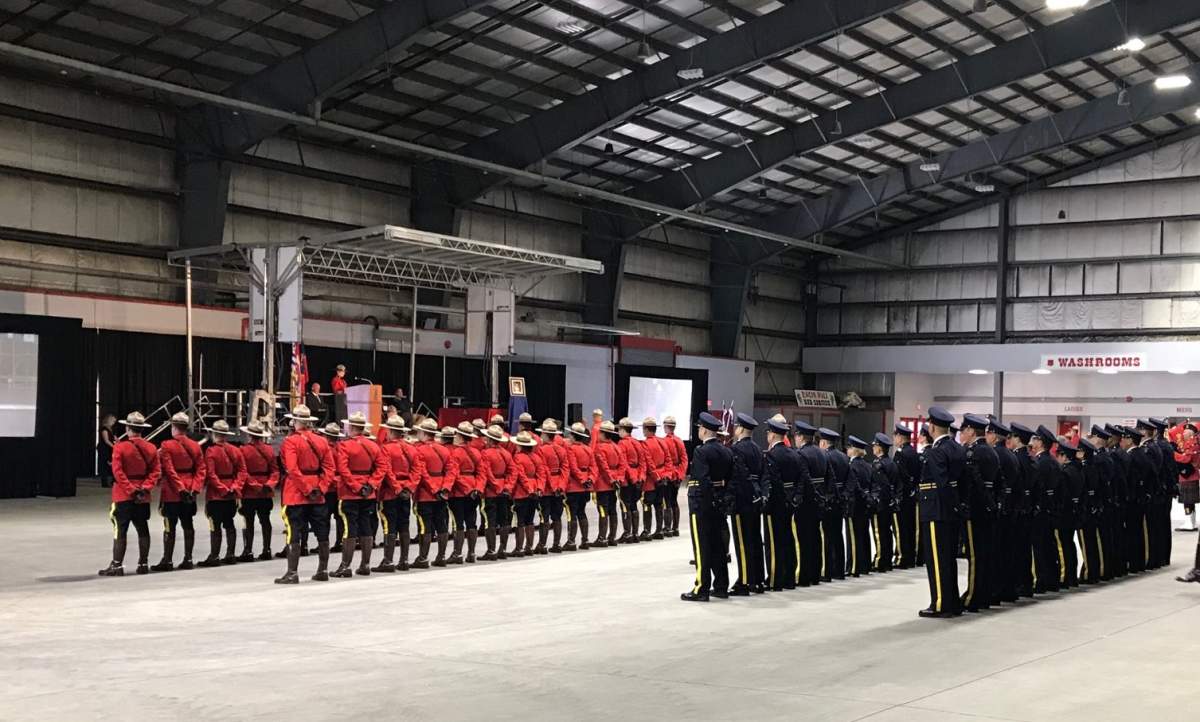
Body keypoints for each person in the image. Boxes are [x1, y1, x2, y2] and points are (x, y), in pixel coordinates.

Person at [275, 404, 336, 584]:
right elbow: (329, 468)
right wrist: (321, 487)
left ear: (295, 422)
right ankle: (323, 570)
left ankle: (292, 573)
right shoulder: (322, 441)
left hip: (296, 494)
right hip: (318, 493)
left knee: (294, 532)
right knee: (322, 533)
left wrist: (306, 489)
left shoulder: (290, 441)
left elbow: (292, 469)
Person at [99, 411, 160, 576]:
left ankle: (117, 566)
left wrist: (131, 490)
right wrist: (145, 488)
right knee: (143, 529)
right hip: (143, 495)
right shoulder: (151, 447)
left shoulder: (120, 447)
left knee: (120, 530)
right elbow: (155, 472)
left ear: (128, 427)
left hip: (124, 495)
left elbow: (117, 472)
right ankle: (143, 563)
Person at [681, 412, 734, 602]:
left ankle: (701, 587)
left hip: (701, 503)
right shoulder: (727, 451)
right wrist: (721, 498)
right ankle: (721, 586)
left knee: (702, 546)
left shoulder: (701, 452)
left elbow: (702, 480)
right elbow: (729, 479)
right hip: (718, 502)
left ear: (704, 430)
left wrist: (709, 498)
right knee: (719, 546)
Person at [918, 406, 965, 618]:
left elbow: (942, 484)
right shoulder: (957, 448)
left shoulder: (937, 451)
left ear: (933, 426)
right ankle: (952, 601)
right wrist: (957, 506)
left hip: (936, 509)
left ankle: (940, 603)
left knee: (936, 558)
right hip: (951, 511)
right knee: (948, 559)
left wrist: (950, 504)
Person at [331, 411, 387, 578]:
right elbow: (381, 468)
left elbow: (343, 469)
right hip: (368, 494)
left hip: (350, 493)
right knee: (366, 528)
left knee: (349, 529)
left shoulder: (344, 445)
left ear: (352, 427)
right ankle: (365, 564)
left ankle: (345, 566)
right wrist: (370, 485)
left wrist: (356, 486)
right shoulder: (373, 446)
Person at [152, 412, 204, 572]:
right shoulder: (195, 446)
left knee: (169, 526)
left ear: (174, 427)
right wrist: (194, 489)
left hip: (172, 492)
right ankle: (188, 558)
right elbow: (201, 469)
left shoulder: (167, 445)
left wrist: (180, 489)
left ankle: (167, 560)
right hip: (190, 490)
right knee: (188, 524)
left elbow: (169, 469)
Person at [958, 414, 998, 612]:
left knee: (974, 556)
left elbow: (973, 485)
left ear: (972, 431)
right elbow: (1000, 483)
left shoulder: (972, 454)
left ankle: (973, 596)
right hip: (988, 510)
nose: (962, 434)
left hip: (975, 509)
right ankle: (984, 594)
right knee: (985, 554)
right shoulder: (992, 452)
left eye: (964, 430)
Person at [375, 415, 421, 572]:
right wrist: (408, 488)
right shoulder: (411, 448)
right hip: (406, 493)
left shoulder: (386, 449)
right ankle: (404, 560)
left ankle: (388, 561)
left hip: (390, 493)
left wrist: (397, 488)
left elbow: (386, 471)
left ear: (390, 431)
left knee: (389, 527)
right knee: (404, 525)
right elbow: (417, 471)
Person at [198, 420, 245, 567]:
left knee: (215, 526)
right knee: (229, 524)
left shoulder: (211, 451)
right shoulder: (236, 450)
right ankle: (230, 554)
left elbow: (211, 475)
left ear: (214, 434)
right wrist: (234, 487)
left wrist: (222, 489)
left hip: (216, 495)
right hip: (231, 493)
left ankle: (214, 555)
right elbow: (242, 472)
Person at [727, 414, 766, 595]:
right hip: (756, 500)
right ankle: (757, 579)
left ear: (741, 429)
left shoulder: (736, 450)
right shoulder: (758, 449)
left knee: (742, 542)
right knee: (755, 540)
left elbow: (737, 478)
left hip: (742, 501)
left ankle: (744, 581)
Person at [764, 415, 803, 592]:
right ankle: (789, 577)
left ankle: (774, 579)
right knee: (788, 539)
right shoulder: (794, 454)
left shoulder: (772, 456)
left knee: (774, 542)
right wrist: (794, 497)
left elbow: (774, 482)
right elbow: (801, 479)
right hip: (790, 502)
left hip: (776, 504)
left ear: (772, 435)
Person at [412, 418, 452, 568]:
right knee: (441, 525)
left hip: (425, 493)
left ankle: (423, 558)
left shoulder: (419, 450)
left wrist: (434, 489)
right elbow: (451, 471)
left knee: (425, 526)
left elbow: (422, 472)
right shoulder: (444, 450)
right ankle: (441, 556)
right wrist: (445, 488)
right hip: (442, 493)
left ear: (423, 433)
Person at [988, 420, 1020, 603]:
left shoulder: (995, 455)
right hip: (1011, 508)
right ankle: (1009, 588)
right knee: (1009, 551)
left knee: (997, 552)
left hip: (999, 509)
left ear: (993, 435)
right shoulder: (1011, 455)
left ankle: (996, 591)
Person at [237, 420, 278, 562]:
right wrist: (269, 484)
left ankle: (248, 550)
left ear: (249, 435)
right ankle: (267, 549)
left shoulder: (243, 450)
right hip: (266, 491)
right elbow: (275, 471)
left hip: (249, 491)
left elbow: (243, 472)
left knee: (248, 521)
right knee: (265, 520)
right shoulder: (269, 450)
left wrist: (255, 485)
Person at [792, 420, 826, 587]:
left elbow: (804, 478)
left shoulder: (801, 454)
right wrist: (824, 495)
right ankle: (815, 573)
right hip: (818, 501)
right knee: (815, 538)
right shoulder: (821, 453)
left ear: (801, 437)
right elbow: (829, 477)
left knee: (803, 540)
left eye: (796, 436)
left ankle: (803, 575)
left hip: (806, 500)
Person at [1009, 423, 1038, 596]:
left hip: (1017, 508)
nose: (1009, 440)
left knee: (1016, 549)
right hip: (1028, 508)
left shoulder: (1017, 459)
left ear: (1018, 439)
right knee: (1025, 549)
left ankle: (1019, 583)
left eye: (1012, 437)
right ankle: (1026, 583)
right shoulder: (1030, 458)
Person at [448, 421, 484, 564]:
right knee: (471, 522)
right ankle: (471, 553)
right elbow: (482, 474)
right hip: (474, 491)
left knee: (458, 523)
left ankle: (457, 554)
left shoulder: (455, 453)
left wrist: (467, 489)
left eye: (457, 434)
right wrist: (477, 488)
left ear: (461, 436)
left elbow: (455, 475)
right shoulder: (476, 453)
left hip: (459, 492)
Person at [479, 424, 516, 560]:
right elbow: (513, 472)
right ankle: (503, 549)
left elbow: (486, 473)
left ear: (489, 439)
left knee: (491, 522)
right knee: (504, 521)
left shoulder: (485, 453)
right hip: (505, 491)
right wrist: (507, 486)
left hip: (491, 491)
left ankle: (491, 551)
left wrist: (496, 486)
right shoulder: (506, 454)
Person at [510, 430, 546, 557]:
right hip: (535, 491)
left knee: (520, 521)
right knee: (530, 521)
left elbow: (521, 476)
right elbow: (542, 475)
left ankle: (519, 548)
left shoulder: (517, 458)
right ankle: (529, 547)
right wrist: (539, 488)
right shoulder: (537, 457)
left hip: (522, 492)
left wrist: (528, 489)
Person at [818, 428, 847, 581]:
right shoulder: (843, 457)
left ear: (823, 442)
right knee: (838, 535)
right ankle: (839, 570)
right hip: (840, 500)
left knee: (827, 536)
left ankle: (827, 571)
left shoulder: (825, 457)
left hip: (829, 499)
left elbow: (826, 480)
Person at [843, 436, 874, 578]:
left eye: (849, 447)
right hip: (865, 504)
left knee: (853, 537)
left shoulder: (852, 466)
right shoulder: (868, 466)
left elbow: (853, 486)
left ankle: (853, 566)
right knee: (864, 534)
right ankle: (865, 565)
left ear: (853, 450)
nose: (847, 450)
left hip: (855, 504)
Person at [536, 420, 568, 554]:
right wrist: (561, 485)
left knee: (544, 516)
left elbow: (544, 471)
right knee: (557, 517)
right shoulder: (561, 449)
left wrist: (553, 487)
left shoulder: (541, 450)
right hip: (559, 486)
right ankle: (557, 543)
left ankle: (542, 545)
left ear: (544, 434)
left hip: (547, 488)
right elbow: (565, 470)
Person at [892, 424, 921, 569]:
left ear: (900, 437)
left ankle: (902, 557)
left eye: (895, 436)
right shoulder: (914, 452)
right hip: (912, 496)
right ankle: (911, 556)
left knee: (902, 528)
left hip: (903, 495)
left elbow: (900, 476)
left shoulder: (900, 454)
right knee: (910, 527)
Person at [592, 420, 625, 547]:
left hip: (603, 484)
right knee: (612, 510)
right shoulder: (616, 447)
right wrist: (618, 479)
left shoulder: (599, 448)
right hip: (614, 484)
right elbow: (622, 465)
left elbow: (604, 467)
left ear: (603, 433)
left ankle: (602, 538)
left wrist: (611, 479)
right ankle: (612, 537)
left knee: (602, 510)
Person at [1055, 437, 1083, 588]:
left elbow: (1063, 497)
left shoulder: (1065, 473)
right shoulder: (1077, 471)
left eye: (1058, 455)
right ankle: (1072, 575)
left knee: (1062, 546)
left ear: (1065, 457)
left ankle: (1064, 576)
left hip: (1064, 515)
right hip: (1073, 514)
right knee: (1070, 545)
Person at [563, 421, 594, 551]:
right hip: (585, 486)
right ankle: (585, 539)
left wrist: (581, 480)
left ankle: (571, 541)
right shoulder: (588, 449)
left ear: (573, 436)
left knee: (572, 514)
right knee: (582, 512)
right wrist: (589, 479)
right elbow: (593, 467)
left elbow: (573, 468)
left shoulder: (570, 449)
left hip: (574, 486)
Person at [870, 432, 898, 574]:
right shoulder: (891, 462)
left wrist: (875, 501)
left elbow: (881, 486)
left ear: (880, 448)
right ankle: (887, 560)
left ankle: (880, 560)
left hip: (881, 504)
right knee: (887, 532)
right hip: (889, 503)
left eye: (875, 445)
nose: (873, 448)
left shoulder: (878, 465)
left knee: (879, 533)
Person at [616, 418, 645, 543]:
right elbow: (643, 462)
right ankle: (635, 533)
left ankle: (627, 533)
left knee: (625, 505)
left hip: (628, 480)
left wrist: (632, 478)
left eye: (619, 430)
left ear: (623, 430)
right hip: (638, 478)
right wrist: (640, 477)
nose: (618, 432)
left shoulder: (622, 444)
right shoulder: (637, 443)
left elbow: (624, 464)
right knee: (634, 505)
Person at [639, 417, 669, 541]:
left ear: (646, 429)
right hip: (662, 477)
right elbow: (668, 460)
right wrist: (665, 475)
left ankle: (647, 530)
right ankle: (659, 530)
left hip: (652, 480)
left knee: (647, 504)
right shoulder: (662, 441)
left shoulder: (645, 443)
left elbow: (649, 463)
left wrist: (656, 476)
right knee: (659, 504)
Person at [661, 416, 687, 537]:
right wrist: (680, 475)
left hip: (668, 474)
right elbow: (684, 460)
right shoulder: (679, 441)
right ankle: (675, 528)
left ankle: (667, 528)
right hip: (677, 474)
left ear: (666, 427)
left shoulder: (664, 441)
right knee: (674, 501)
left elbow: (665, 460)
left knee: (667, 501)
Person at [1175, 424, 1198, 531]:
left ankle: (1189, 523)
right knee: (1189, 501)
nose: (1183, 433)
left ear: (1190, 433)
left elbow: (1186, 459)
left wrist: (1173, 454)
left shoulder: (1192, 444)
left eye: (1185, 432)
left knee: (1187, 500)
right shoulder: (1188, 443)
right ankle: (1191, 521)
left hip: (1189, 476)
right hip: (1189, 476)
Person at [97, 413, 117, 488]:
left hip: (109, 448)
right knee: (104, 465)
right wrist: (114, 447)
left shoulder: (110, 429)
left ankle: (113, 481)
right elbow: (106, 440)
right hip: (103, 448)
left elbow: (114, 438)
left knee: (112, 464)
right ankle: (104, 482)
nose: (113, 423)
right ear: (109, 420)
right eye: (113, 421)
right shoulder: (104, 429)